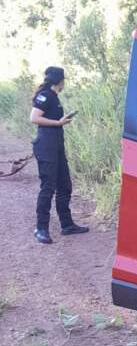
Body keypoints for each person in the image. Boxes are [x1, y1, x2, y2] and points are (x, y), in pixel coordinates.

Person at [30, 66, 89, 244]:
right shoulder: (46, 95)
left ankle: (67, 224)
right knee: (48, 187)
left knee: (64, 185)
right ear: (60, 80)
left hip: (56, 147)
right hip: (46, 147)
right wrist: (58, 122)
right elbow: (34, 117)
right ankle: (41, 229)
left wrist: (60, 123)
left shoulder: (54, 97)